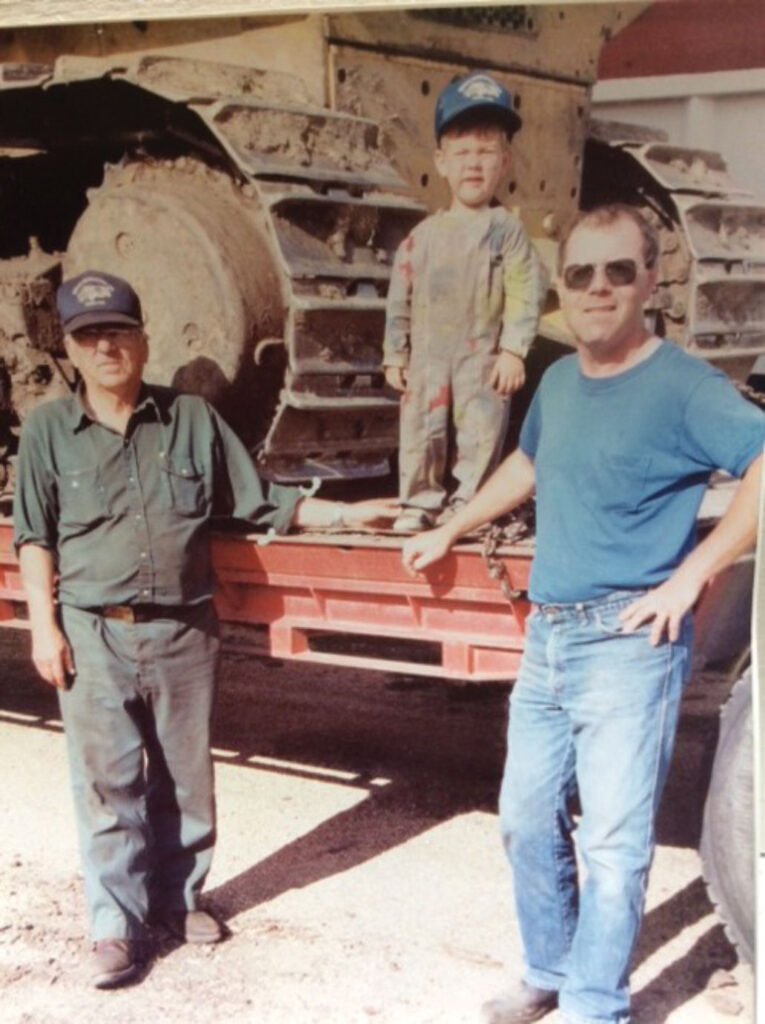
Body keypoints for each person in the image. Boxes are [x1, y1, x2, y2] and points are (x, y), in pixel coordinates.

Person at [401, 205, 764, 1024]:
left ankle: (595, 1006)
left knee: (611, 842)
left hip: (629, 646)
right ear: (563, 286)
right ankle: (548, 970)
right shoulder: (559, 379)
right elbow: (529, 460)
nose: (597, 288)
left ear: (648, 282)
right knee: (524, 822)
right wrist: (452, 525)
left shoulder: (683, 386)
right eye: (580, 273)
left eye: (617, 271)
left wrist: (691, 576)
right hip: (550, 636)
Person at [13, 270, 395, 989]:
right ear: (70, 348)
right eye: (90, 336)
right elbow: (34, 538)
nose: (107, 347)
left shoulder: (189, 419)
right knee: (107, 787)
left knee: (186, 784)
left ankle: (177, 900)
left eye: (119, 331)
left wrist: (345, 515)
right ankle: (114, 926)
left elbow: (262, 502)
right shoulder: (47, 432)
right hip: (92, 631)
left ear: (143, 337)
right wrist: (44, 628)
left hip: (186, 631)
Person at [383, 70, 547, 533]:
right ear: (440, 161)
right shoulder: (423, 236)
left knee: (480, 428)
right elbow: (401, 294)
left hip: (483, 356)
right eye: (462, 153)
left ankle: (469, 501)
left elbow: (523, 291)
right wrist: (395, 351)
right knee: (421, 428)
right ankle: (418, 501)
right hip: (429, 358)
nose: (473, 165)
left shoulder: (506, 231)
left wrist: (514, 349)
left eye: (486, 153)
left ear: (506, 161)